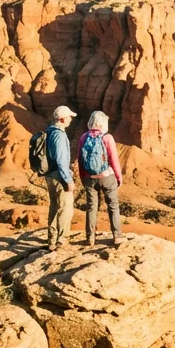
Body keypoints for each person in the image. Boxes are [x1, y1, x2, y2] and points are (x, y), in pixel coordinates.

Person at [77, 110, 126, 246]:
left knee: (91, 207)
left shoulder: (83, 138)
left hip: (90, 178)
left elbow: (80, 159)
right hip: (107, 177)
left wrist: (83, 178)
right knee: (113, 206)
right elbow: (114, 159)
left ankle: (90, 237)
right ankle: (117, 236)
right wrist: (118, 176)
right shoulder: (107, 138)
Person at [44, 105, 77, 251]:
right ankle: (62, 240)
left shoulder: (49, 131)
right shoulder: (59, 135)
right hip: (59, 175)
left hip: (50, 174)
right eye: (69, 117)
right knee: (65, 207)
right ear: (62, 119)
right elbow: (61, 158)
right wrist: (68, 179)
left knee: (54, 207)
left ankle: (51, 240)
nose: (71, 119)